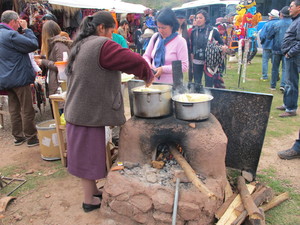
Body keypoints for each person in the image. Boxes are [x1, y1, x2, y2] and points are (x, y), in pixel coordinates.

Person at [63, 11, 154, 213]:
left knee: (86, 154)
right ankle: (89, 201)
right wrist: (148, 75)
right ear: (101, 28)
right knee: (87, 157)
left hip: (78, 110)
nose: (112, 36)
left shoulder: (81, 43)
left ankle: (93, 191)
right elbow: (134, 61)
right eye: (111, 31)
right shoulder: (102, 45)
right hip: (86, 112)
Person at [0, 10, 39, 146]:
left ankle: (18, 136)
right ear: (13, 21)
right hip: (19, 77)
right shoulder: (10, 34)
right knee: (26, 108)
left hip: (6, 78)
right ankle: (31, 137)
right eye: (18, 21)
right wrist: (27, 30)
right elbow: (33, 45)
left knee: (14, 108)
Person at [35, 20, 73, 115]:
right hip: (57, 83)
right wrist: (44, 58)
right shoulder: (55, 45)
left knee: (61, 114)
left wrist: (43, 61)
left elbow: (62, 65)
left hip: (60, 84)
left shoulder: (59, 45)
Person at [143, 8, 189, 84]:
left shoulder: (180, 41)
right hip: (154, 82)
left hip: (172, 85)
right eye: (158, 27)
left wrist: (163, 69)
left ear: (172, 26)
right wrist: (149, 66)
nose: (161, 30)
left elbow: (184, 66)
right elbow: (146, 56)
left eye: (164, 28)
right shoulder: (155, 37)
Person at [190, 9, 227, 89]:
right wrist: (192, 63)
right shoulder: (193, 32)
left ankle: (209, 98)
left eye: (200, 18)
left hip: (210, 61)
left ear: (205, 19)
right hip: (196, 61)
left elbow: (221, 43)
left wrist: (222, 48)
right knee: (197, 82)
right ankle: (197, 98)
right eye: (197, 18)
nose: (198, 20)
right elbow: (192, 48)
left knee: (209, 83)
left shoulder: (213, 31)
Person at [276, 0, 300, 117]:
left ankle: (291, 109)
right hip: (289, 56)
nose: (289, 9)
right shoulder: (294, 21)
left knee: (291, 82)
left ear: (298, 8)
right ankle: (287, 104)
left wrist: (290, 53)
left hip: (293, 57)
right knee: (287, 81)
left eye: (291, 6)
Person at [267, 6, 292, 92]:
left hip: (276, 49)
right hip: (288, 50)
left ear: (281, 14)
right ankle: (283, 85)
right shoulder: (293, 23)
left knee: (275, 68)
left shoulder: (276, 24)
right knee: (285, 68)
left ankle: (273, 85)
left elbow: (269, 36)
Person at [259, 9, 280, 81]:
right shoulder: (280, 23)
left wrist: (263, 42)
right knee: (275, 62)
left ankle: (264, 76)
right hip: (276, 46)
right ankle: (275, 76)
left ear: (272, 16)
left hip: (267, 45)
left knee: (265, 61)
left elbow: (262, 35)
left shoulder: (267, 24)